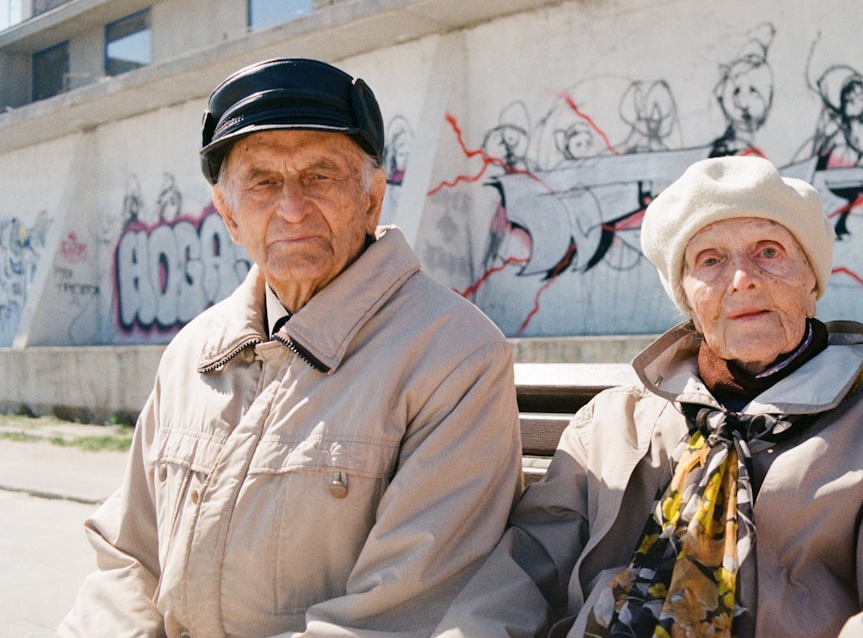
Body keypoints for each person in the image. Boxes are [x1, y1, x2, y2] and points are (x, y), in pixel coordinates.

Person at [436, 155, 863, 637]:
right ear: (687, 298)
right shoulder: (608, 426)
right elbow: (519, 577)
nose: (742, 279)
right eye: (710, 260)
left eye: (769, 251)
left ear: (812, 280)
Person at [61, 58, 522, 637]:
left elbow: (402, 611)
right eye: (262, 182)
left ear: (371, 198)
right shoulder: (192, 353)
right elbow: (129, 557)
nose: (292, 208)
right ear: (228, 215)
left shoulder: (454, 355)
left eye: (319, 176)